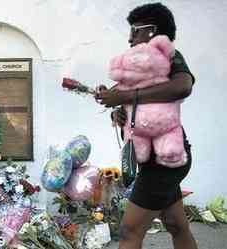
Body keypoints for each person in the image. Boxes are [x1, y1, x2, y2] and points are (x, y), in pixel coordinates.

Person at [95, 3, 198, 249]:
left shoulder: (167, 54)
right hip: (156, 161)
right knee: (176, 225)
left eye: (135, 30)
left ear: (152, 31)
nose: (130, 39)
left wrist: (127, 97)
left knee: (129, 231)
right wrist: (120, 114)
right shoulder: (141, 65)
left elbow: (183, 86)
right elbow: (132, 102)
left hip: (165, 160)